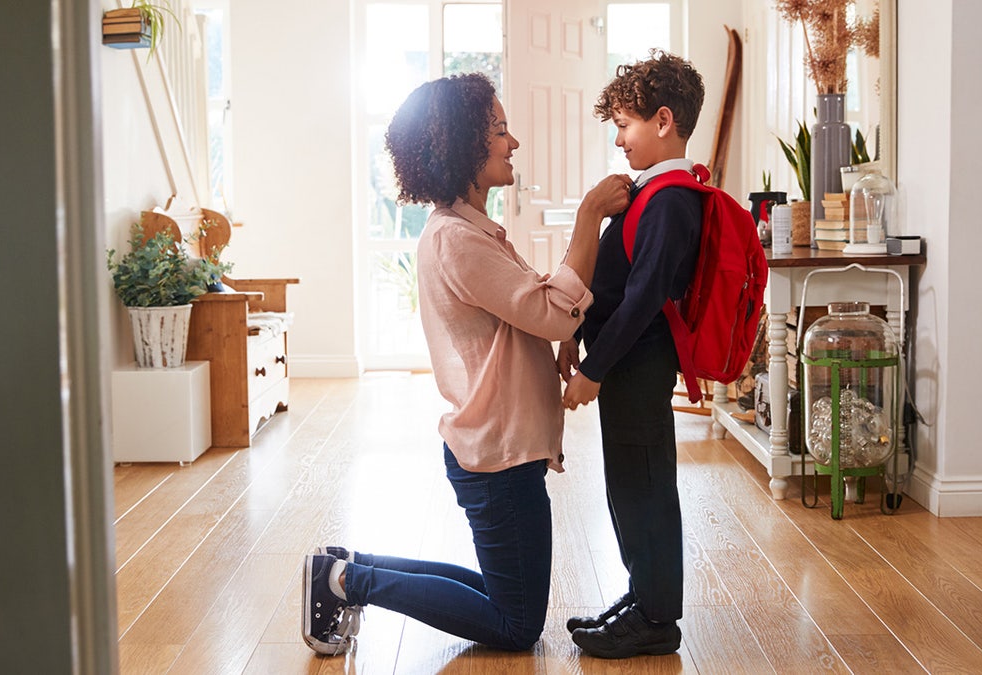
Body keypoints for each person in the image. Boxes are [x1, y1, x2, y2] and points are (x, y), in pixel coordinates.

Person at [301, 72, 633, 656]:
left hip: (498, 449)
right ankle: (349, 582)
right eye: (500, 131)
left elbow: (530, 311)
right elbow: (553, 312)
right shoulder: (458, 239)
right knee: (516, 623)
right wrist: (588, 218)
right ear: (462, 147)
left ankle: (346, 566)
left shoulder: (469, 230)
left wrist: (555, 331)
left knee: (506, 595)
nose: (514, 143)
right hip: (498, 457)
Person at [556, 50, 706, 659]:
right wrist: (575, 329)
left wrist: (594, 369)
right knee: (628, 485)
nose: (618, 139)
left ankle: (657, 618)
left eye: (625, 125)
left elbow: (643, 298)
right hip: (627, 365)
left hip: (637, 366)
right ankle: (643, 598)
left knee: (643, 488)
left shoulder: (671, 198)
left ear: (663, 120)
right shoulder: (651, 192)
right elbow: (616, 282)